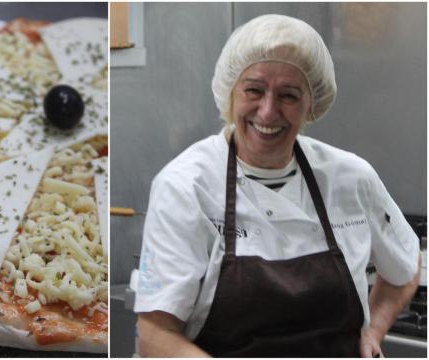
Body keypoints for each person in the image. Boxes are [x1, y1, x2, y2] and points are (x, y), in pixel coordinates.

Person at [134, 14, 420, 358]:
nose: (268, 113)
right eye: (254, 90)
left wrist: (373, 330)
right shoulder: (185, 187)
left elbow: (404, 265)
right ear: (230, 94)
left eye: (288, 95)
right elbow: (155, 334)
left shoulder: (351, 177)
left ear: (311, 104)